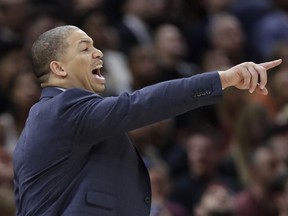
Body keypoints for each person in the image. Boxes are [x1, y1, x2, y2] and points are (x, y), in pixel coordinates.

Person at [12, 25, 281, 216]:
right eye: (85, 49)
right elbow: (138, 105)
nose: (98, 53)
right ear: (58, 68)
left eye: (95, 46)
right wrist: (223, 79)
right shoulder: (63, 109)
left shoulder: (41, 122)